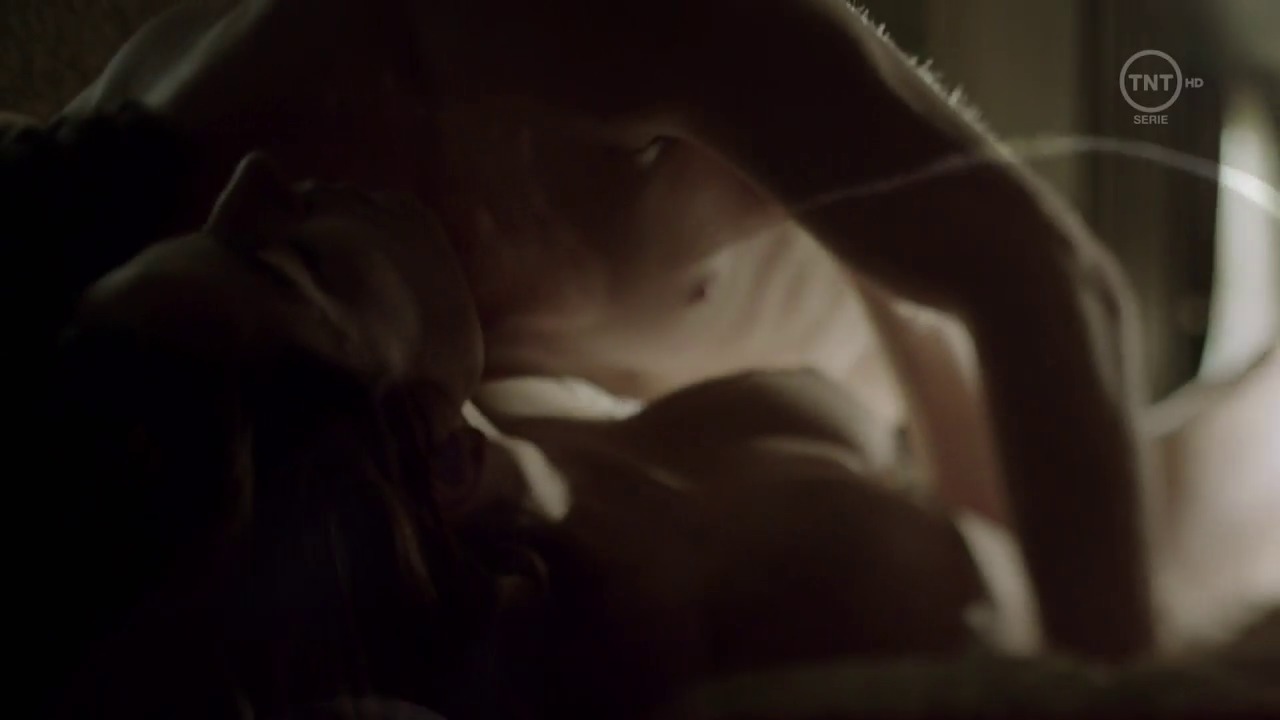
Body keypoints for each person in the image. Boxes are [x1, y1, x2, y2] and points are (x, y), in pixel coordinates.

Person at [56, 0, 1155, 661]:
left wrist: (1115, 696)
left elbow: (1043, 277)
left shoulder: (526, 41)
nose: (256, 195)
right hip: (771, 461)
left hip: (1035, 407)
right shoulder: (176, 345)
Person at [42, 150, 1009, 719]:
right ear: (398, 446)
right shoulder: (673, 646)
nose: (251, 175)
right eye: (294, 270)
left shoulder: (519, 393)